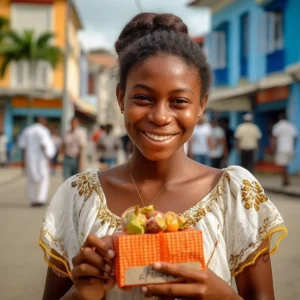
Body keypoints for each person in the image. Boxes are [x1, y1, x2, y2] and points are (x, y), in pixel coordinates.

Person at [40, 13, 286, 300]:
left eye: (179, 101)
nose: (160, 116)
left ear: (201, 105)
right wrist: (81, 293)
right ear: (121, 98)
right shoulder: (78, 198)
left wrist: (219, 293)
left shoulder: (234, 195)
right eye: (143, 98)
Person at [18, 116, 55, 206]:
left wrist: (22, 162)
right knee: (44, 179)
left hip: (29, 159)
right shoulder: (43, 131)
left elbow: (23, 147)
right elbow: (44, 145)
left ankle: (33, 199)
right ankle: (40, 199)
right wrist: (49, 158)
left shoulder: (27, 131)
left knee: (31, 180)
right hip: (41, 160)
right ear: (42, 121)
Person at [272, 112, 298, 186]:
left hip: (281, 149)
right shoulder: (291, 126)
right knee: (287, 165)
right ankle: (287, 179)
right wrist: (293, 146)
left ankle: (285, 180)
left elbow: (274, 138)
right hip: (290, 149)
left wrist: (273, 148)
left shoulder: (277, 126)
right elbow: (295, 137)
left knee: (283, 165)